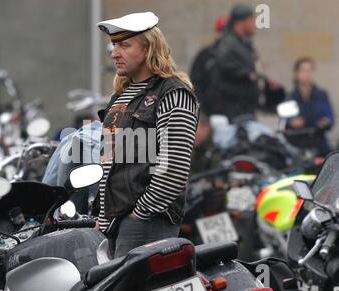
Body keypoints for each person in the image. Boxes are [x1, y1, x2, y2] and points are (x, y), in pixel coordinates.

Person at [94, 12, 200, 258]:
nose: (114, 53)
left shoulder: (173, 92)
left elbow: (173, 168)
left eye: (124, 45)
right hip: (117, 223)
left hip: (147, 222)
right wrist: (103, 217)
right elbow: (109, 164)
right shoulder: (121, 95)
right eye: (113, 45)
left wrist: (139, 214)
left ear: (148, 48)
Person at [208, 4, 259, 122]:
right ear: (240, 23)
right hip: (232, 112)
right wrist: (247, 74)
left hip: (245, 109)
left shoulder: (243, 44)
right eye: (251, 20)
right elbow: (224, 64)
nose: (254, 24)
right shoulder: (229, 43)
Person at [287, 57, 334, 156]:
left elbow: (331, 117)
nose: (306, 74)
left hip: (319, 144)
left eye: (309, 70)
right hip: (298, 145)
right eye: (303, 71)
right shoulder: (290, 97)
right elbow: (284, 122)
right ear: (296, 73)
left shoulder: (321, 95)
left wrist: (326, 122)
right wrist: (292, 122)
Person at [189, 16, 229, 116]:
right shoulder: (205, 55)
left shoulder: (239, 56)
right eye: (221, 31)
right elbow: (195, 83)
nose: (223, 35)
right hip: (210, 113)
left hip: (234, 114)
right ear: (216, 33)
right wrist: (202, 111)